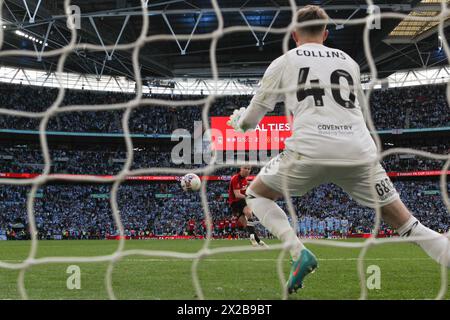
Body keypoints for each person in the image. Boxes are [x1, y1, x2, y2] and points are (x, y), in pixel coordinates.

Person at [227, 5, 450, 294]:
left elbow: (251, 120)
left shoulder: (284, 61)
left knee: (256, 193)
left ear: (294, 34)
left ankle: (298, 252)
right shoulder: (350, 63)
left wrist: (239, 123)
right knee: (409, 225)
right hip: (358, 153)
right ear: (326, 32)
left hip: (308, 150)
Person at [228, 166, 268, 247]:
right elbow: (237, 195)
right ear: (241, 168)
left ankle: (256, 240)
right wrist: (250, 197)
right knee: (246, 225)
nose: (247, 170)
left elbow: (248, 183)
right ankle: (258, 240)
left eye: (249, 169)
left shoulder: (244, 179)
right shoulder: (235, 178)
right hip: (235, 203)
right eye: (245, 168)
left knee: (249, 213)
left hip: (242, 201)